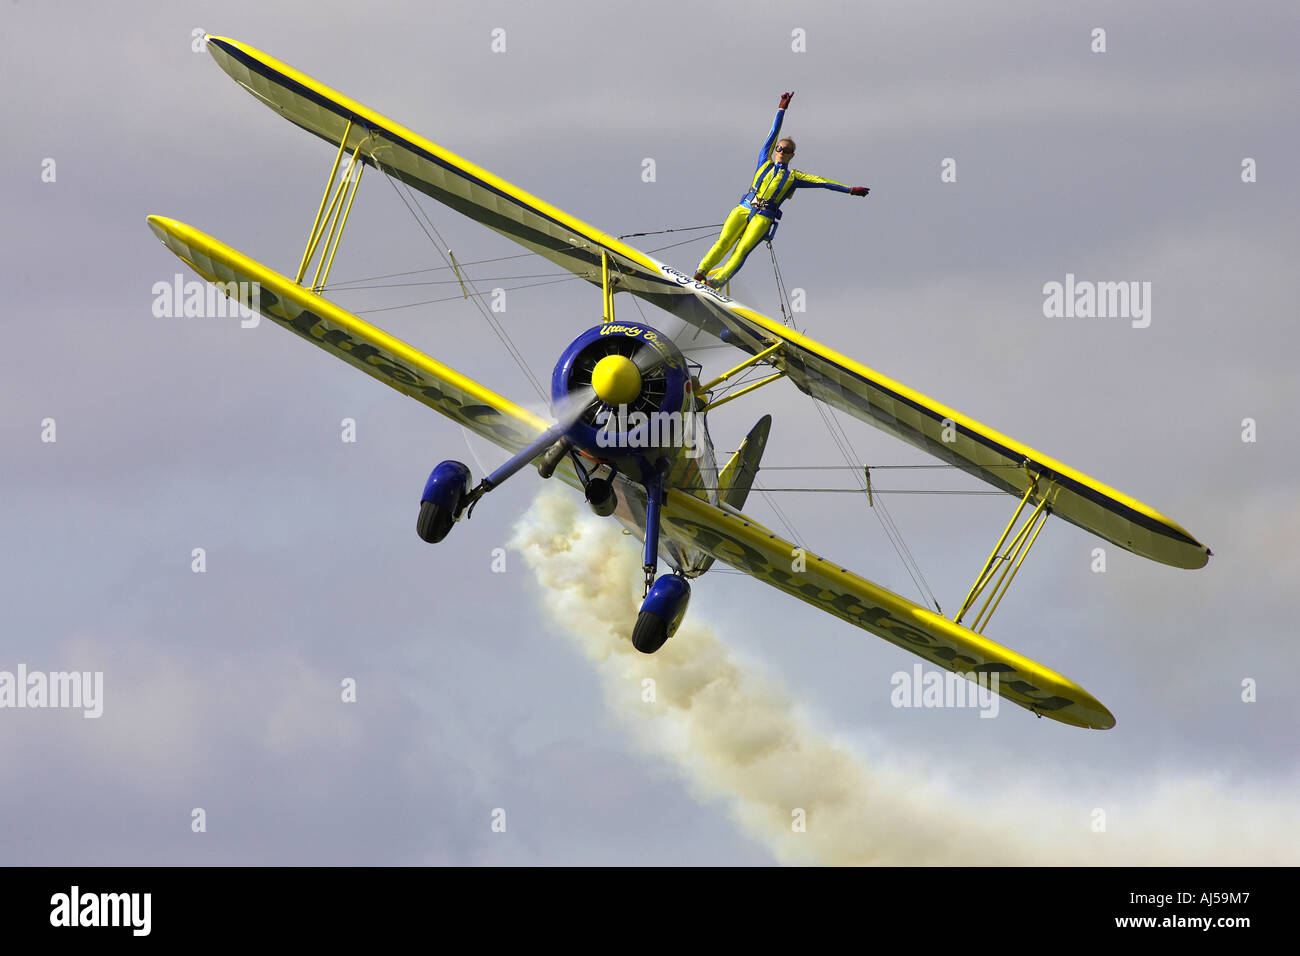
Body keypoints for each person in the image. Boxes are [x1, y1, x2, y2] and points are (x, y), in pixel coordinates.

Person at [694, 91, 869, 289]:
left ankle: (715, 282)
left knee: (742, 250)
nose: (781, 152)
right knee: (724, 240)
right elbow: (773, 134)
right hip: (745, 206)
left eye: (786, 151)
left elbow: (822, 182)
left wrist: (850, 190)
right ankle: (700, 272)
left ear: (792, 155)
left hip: (764, 216)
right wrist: (781, 109)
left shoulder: (794, 177)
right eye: (779, 149)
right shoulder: (764, 162)